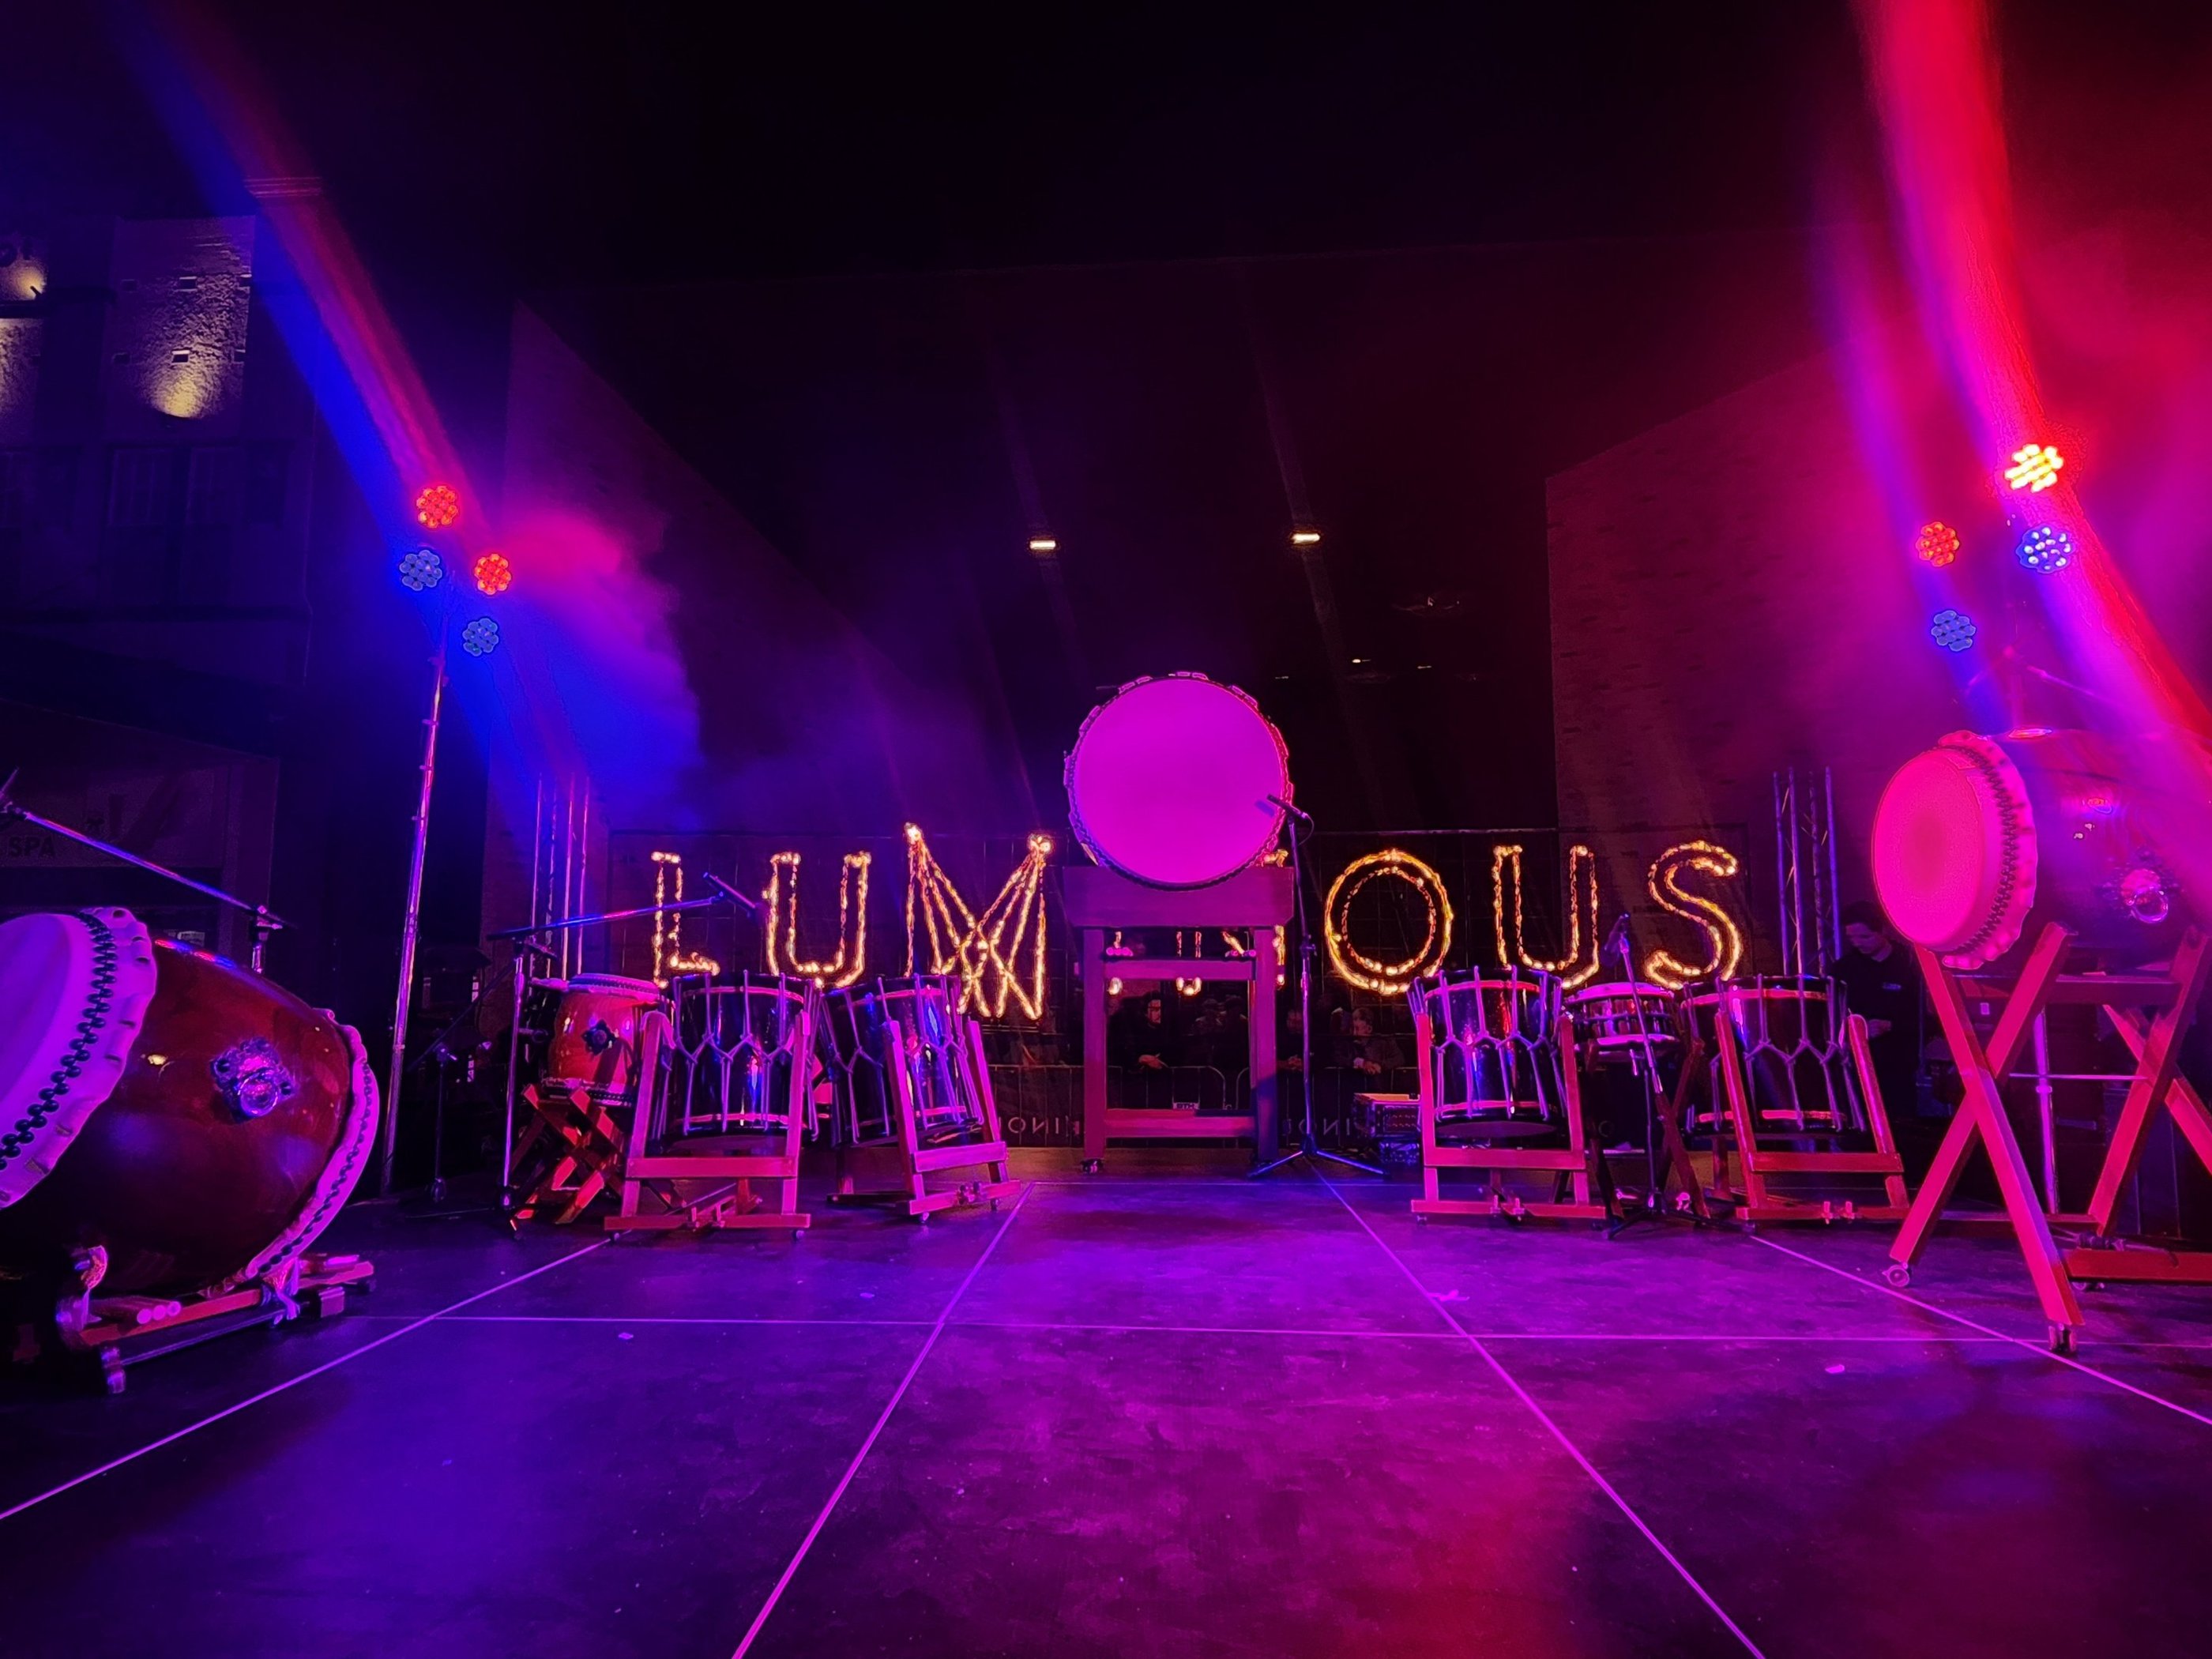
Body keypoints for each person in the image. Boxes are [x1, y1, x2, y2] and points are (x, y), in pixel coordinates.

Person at [1830, 901, 1932, 1174]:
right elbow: (1829, 1016)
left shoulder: (1910, 965)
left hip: (1899, 1060)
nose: (1859, 943)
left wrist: (1892, 1025)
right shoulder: (1843, 971)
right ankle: (1863, 1171)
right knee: (1861, 1117)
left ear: (1882, 931)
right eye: (1853, 938)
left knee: (1900, 1119)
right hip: (1857, 1061)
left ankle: (1906, 1171)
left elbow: (1927, 1017)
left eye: (1865, 936)